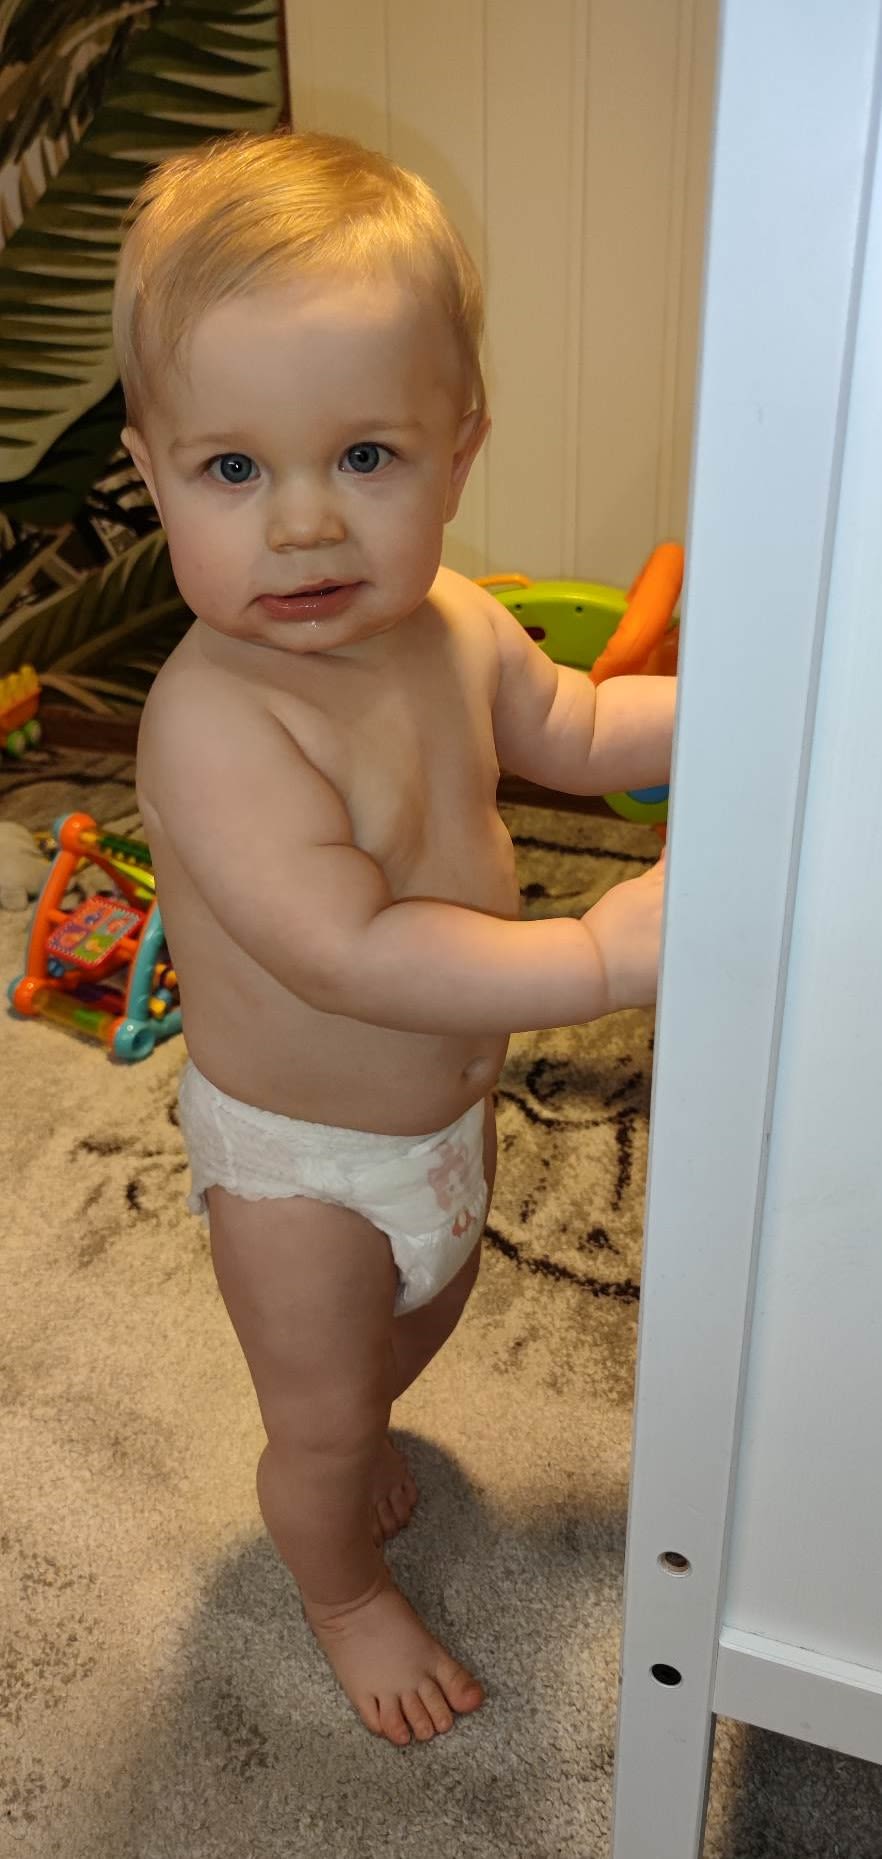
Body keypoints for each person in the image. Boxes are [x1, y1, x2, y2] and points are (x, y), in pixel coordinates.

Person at [113, 128, 675, 1749]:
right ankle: (340, 1592)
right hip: (299, 1162)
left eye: (364, 455)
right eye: (232, 471)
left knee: (419, 1330)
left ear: (458, 449)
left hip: (441, 1116)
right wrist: (593, 961)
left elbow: (576, 725)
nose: (302, 525)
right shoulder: (214, 722)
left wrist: (745, 712)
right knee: (320, 1414)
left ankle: (363, 1442)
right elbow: (347, 951)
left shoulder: (459, 624)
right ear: (151, 471)